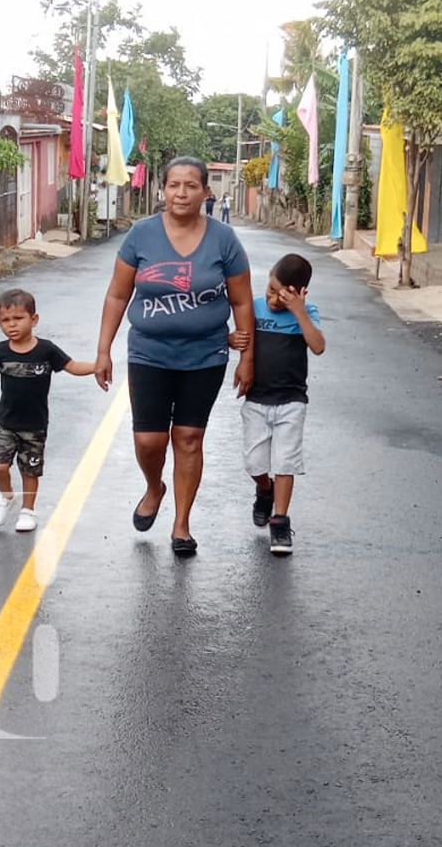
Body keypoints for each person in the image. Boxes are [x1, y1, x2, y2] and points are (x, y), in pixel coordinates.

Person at [94, 156, 256, 557]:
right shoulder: (140, 235)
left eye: (191, 185)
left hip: (205, 355)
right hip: (149, 353)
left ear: (205, 191)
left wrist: (247, 357)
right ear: (162, 190)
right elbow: (118, 294)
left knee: (188, 438)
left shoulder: (224, 240)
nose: (182, 193)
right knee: (149, 439)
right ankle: (154, 486)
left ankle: (182, 525)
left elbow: (241, 300)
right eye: (174, 185)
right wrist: (103, 350)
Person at [228, 253, 326, 556]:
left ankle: (280, 520)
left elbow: (318, 346)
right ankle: (264, 489)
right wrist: (232, 340)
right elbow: (239, 335)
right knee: (254, 462)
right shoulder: (255, 308)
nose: (272, 298)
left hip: (291, 401)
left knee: (285, 461)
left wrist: (299, 312)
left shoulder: (306, 313)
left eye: (281, 295)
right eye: (270, 289)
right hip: (257, 399)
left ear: (298, 293)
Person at [0, 288, 95, 532]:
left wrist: (98, 366)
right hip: (6, 424)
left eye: (18, 318)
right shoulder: (0, 351)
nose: (12, 325)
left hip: (35, 426)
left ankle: (28, 510)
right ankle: (7, 497)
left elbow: (72, 366)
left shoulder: (46, 350)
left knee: (30, 470)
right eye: (5, 321)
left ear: (34, 319)